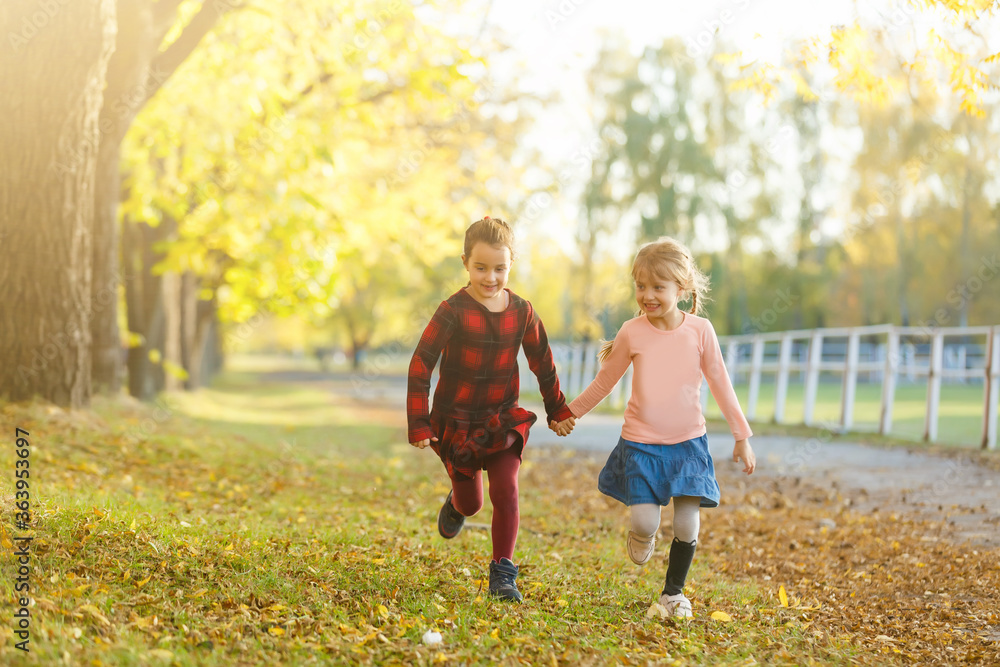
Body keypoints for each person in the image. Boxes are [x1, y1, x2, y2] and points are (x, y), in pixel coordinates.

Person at [551, 237, 755, 618]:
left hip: (688, 445)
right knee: (645, 521)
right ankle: (643, 534)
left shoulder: (701, 331)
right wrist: (569, 412)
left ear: (682, 287)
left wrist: (741, 436)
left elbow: (721, 383)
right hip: (641, 445)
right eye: (640, 286)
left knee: (687, 524)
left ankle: (673, 593)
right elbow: (604, 382)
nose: (647, 295)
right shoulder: (632, 332)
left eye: (658, 287)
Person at [407, 215, 575, 603]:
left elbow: (542, 361)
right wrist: (418, 421)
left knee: (506, 489)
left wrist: (557, 409)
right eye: (481, 267)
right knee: (473, 503)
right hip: (456, 421)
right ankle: (456, 504)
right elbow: (421, 363)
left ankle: (503, 574)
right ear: (465, 262)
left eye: (500, 268)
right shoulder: (452, 310)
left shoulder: (522, 312)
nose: (490, 277)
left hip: (501, 418)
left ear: (511, 264)